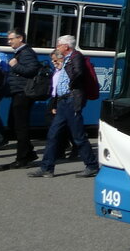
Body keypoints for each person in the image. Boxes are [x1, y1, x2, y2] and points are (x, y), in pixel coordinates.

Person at [29, 34, 99, 178]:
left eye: (58, 45)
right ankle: (47, 167)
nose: (56, 47)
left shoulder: (76, 56)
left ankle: (91, 165)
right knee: (53, 134)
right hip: (63, 101)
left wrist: (70, 85)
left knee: (78, 135)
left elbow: (79, 73)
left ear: (66, 47)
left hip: (71, 100)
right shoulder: (66, 60)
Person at [5, 28, 41, 168]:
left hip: (23, 93)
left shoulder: (26, 53)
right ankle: (29, 152)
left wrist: (15, 66)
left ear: (20, 38)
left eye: (11, 39)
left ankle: (22, 158)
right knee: (13, 123)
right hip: (18, 92)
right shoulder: (21, 52)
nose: (9, 42)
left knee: (21, 126)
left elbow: (32, 70)